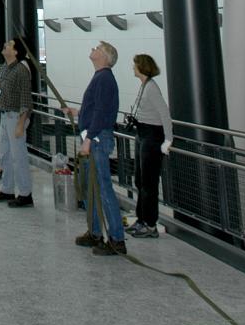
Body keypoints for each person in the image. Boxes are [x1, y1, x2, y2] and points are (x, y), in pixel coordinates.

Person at [69, 41, 127, 256]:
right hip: (94, 138)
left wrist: (89, 138)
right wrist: (77, 112)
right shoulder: (101, 78)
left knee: (102, 189)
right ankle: (94, 232)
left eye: (97, 48)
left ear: (104, 56)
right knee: (91, 188)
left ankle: (117, 239)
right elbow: (95, 107)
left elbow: (102, 111)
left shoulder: (104, 78)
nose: (92, 49)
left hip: (97, 140)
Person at [126, 53, 173, 239]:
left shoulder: (151, 88)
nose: (133, 67)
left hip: (152, 136)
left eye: (135, 64)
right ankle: (141, 219)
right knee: (140, 180)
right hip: (142, 133)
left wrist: (168, 140)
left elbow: (164, 114)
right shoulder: (145, 86)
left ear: (141, 67)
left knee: (149, 182)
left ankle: (150, 224)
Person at [0, 37, 34, 208]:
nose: (5, 45)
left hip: (16, 117)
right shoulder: (5, 68)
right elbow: (1, 87)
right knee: (5, 154)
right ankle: (7, 189)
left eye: (9, 44)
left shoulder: (22, 70)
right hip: (5, 115)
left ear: (15, 51)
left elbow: (26, 100)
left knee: (18, 157)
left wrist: (21, 124)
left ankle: (25, 194)